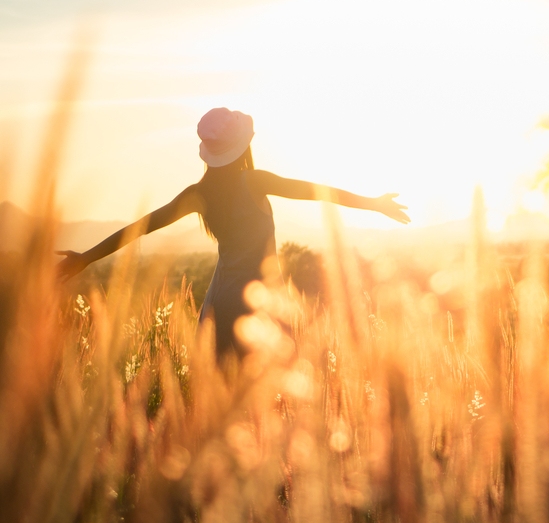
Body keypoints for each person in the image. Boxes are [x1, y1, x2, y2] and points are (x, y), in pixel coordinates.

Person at [57, 107, 409, 357]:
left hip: (220, 300)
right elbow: (318, 191)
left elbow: (139, 228)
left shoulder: (198, 195)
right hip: (258, 301)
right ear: (243, 146)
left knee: (223, 401)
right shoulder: (254, 181)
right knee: (261, 405)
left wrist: (86, 258)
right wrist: (373, 203)